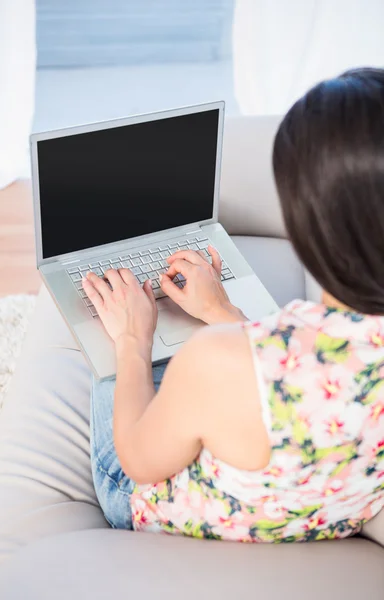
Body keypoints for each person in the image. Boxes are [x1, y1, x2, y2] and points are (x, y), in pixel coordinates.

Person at [83, 68, 384, 542]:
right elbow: (299, 375)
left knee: (107, 360)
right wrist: (223, 313)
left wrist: (131, 340)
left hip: (173, 509)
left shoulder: (215, 360)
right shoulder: (248, 354)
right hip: (324, 511)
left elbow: (138, 464)